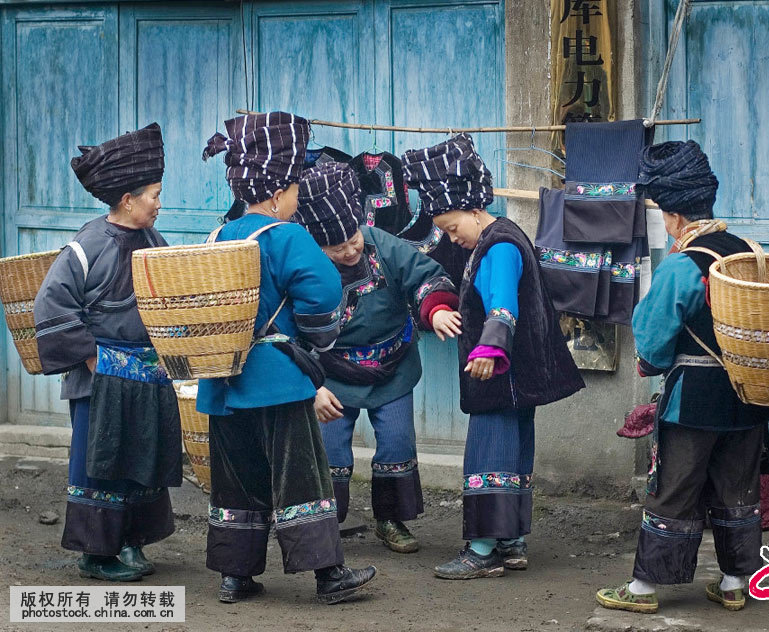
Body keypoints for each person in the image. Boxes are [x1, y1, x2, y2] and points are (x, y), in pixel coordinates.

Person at [596, 140, 769, 614]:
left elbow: (653, 338)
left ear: (675, 216)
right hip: (748, 396)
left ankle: (643, 589)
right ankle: (736, 582)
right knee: (736, 486)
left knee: (674, 487)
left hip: (694, 401)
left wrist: (651, 364)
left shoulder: (685, 263)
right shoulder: (745, 252)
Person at [199, 112, 376, 605]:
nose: (297, 197)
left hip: (223, 380)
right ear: (277, 194)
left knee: (236, 478)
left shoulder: (218, 236)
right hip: (277, 379)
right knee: (300, 474)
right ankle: (328, 576)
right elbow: (321, 298)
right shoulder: (286, 237)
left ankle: (235, 576)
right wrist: (316, 347)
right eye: (296, 186)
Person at [401, 134, 585, 579]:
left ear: (473, 210)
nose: (452, 237)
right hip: (520, 378)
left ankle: (482, 551)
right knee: (515, 454)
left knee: (487, 455)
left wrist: (490, 348)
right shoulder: (506, 236)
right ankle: (511, 541)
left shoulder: (498, 247)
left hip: (501, 375)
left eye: (451, 227)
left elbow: (503, 305)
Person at [34, 123, 181, 582]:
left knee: (141, 456)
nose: (159, 203)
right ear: (127, 199)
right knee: (99, 462)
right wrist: (91, 355)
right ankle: (96, 554)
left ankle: (130, 542)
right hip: (100, 378)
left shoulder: (154, 242)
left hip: (144, 376)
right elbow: (50, 302)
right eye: (154, 194)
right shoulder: (88, 245)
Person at [292, 162, 461, 554]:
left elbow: (423, 274)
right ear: (319, 246)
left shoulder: (379, 242)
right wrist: (312, 383)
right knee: (330, 451)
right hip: (333, 374)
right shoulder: (307, 267)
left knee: (397, 444)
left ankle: (390, 519)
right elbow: (294, 328)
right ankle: (325, 524)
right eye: (338, 248)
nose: (351, 250)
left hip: (393, 367)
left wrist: (435, 308)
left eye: (353, 240)